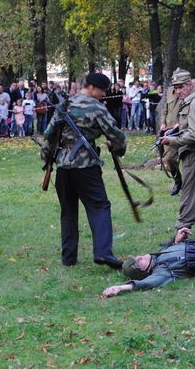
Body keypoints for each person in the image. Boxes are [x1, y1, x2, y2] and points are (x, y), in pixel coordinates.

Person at [42, 72, 127, 269]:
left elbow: (49, 133)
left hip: (63, 165)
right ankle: (103, 253)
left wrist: (47, 158)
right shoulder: (97, 108)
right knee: (99, 206)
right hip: (86, 166)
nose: (104, 94)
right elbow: (116, 135)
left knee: (68, 211)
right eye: (103, 90)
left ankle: (68, 258)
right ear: (92, 88)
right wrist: (118, 149)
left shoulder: (65, 104)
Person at [159, 69, 195, 241]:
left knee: (188, 195)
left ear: (190, 85)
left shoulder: (194, 103)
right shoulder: (189, 101)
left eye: (181, 87)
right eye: (175, 87)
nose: (177, 91)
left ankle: (181, 235)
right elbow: (190, 127)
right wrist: (175, 130)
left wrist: (172, 141)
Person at [159, 84, 183, 196]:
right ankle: (178, 181)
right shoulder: (169, 91)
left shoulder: (185, 92)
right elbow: (165, 110)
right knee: (168, 158)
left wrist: (179, 124)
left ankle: (191, 184)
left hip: (181, 130)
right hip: (168, 130)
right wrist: (163, 122)